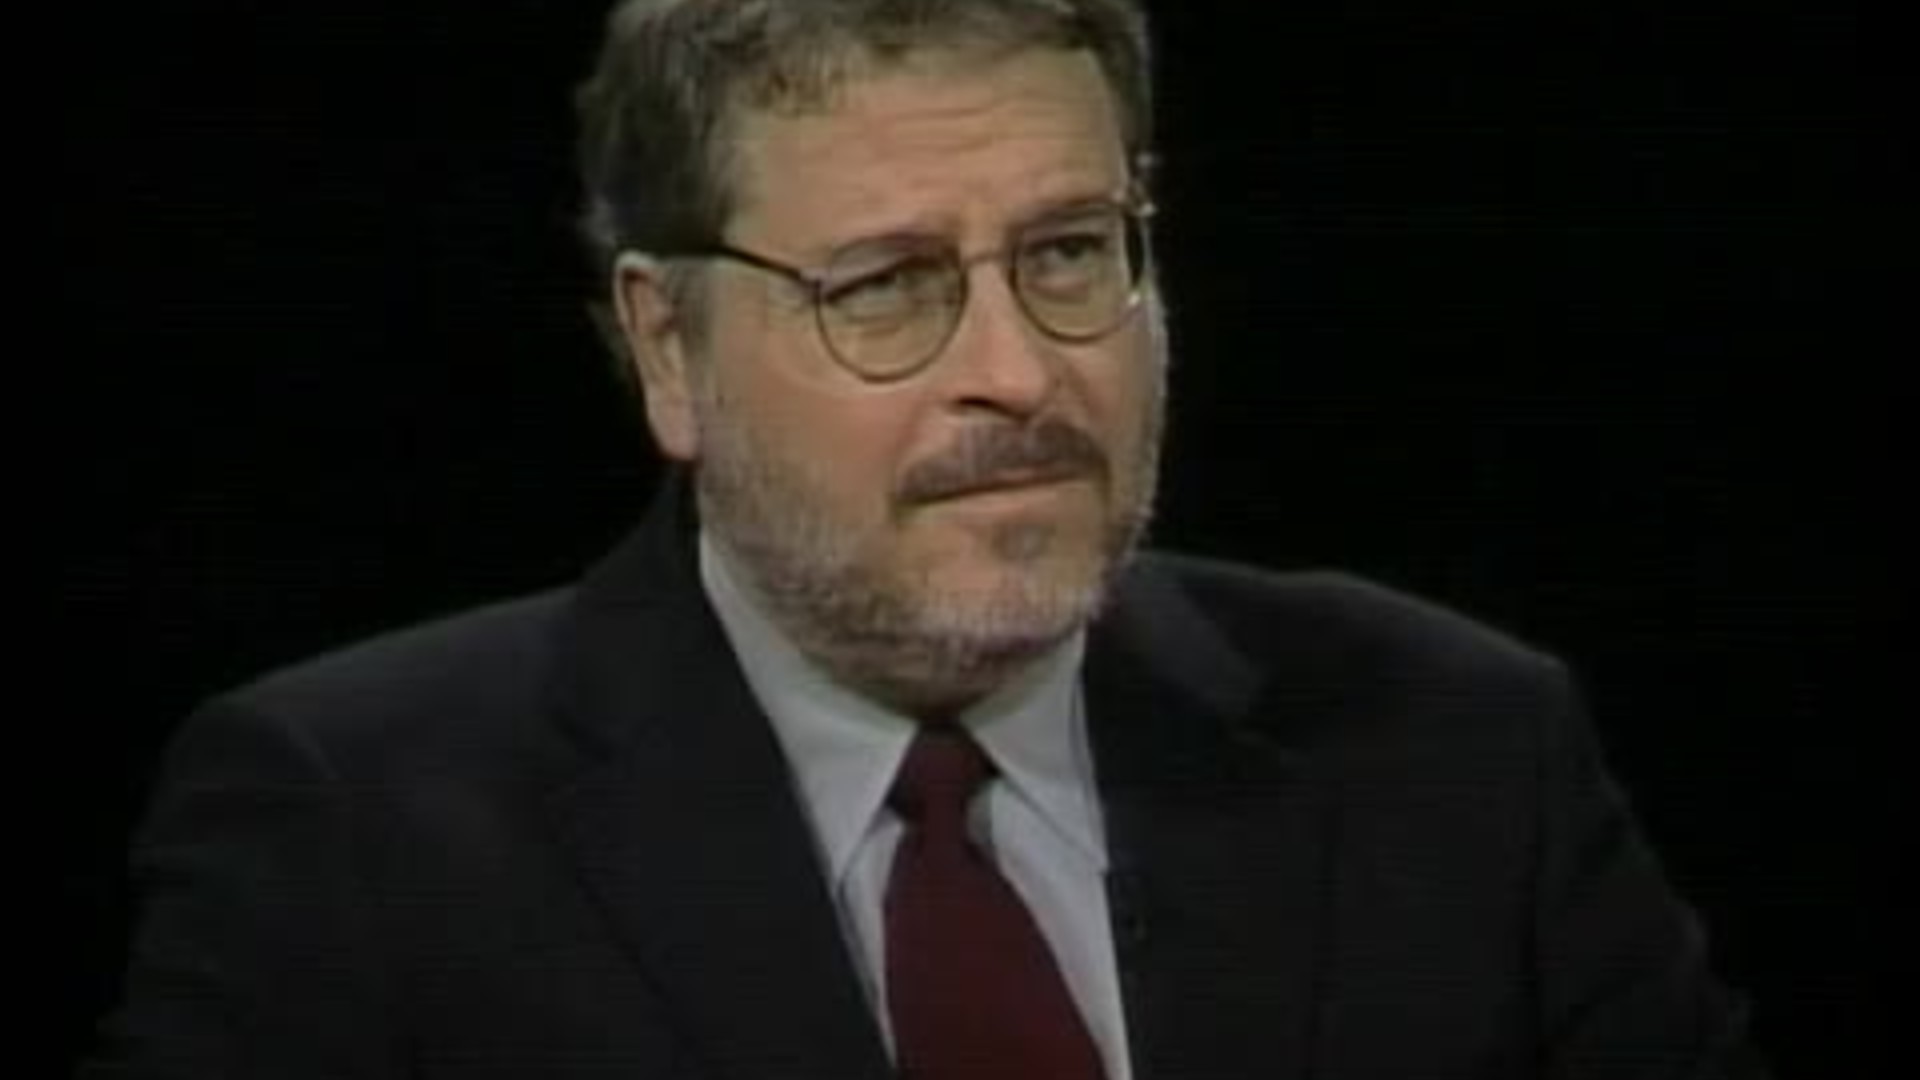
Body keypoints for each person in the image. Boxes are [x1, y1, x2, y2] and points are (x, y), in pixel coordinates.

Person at [81, 1, 1770, 1077]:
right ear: (667, 347)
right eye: (886, 285)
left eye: (1070, 252)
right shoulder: (356, 836)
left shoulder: (1459, 751)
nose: (1019, 372)